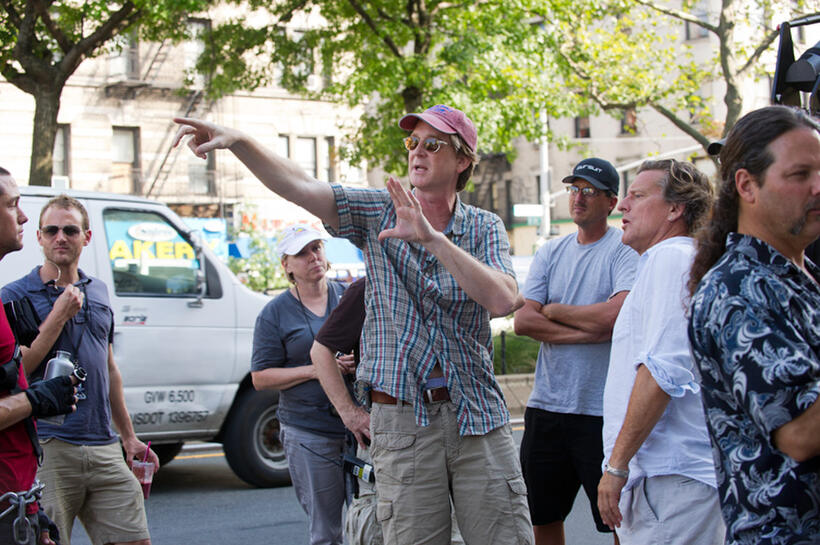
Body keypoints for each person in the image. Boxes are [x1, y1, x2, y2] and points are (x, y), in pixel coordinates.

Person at [174, 103, 532, 545]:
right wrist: (240, 142)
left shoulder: (484, 227)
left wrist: (432, 239)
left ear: (462, 161)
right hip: (402, 420)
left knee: (506, 538)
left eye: (433, 144)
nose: (417, 151)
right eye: (413, 142)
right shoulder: (378, 209)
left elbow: (503, 299)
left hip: (476, 413)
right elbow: (302, 186)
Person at [688, 105, 820, 545]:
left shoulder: (797, 276)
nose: (818, 186)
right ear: (747, 185)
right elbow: (800, 433)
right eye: (800, 174)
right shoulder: (735, 291)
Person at [2, 194, 158, 545]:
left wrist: (128, 437)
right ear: (39, 237)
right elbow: (16, 371)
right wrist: (57, 316)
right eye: (51, 230)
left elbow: (109, 368)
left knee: (135, 539)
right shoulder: (13, 296)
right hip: (49, 446)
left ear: (86, 237)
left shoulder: (98, 291)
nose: (60, 237)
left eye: (70, 230)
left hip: (104, 444)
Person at [598, 159, 723, 544]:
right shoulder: (670, 261)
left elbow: (661, 372)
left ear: (675, 209)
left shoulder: (671, 258)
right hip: (668, 481)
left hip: (673, 482)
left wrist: (616, 467)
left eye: (637, 196)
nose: (623, 205)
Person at [513, 158, 637, 545]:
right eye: (574, 189)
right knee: (543, 515)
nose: (578, 198)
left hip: (601, 411)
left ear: (611, 202)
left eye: (589, 191)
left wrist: (555, 311)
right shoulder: (551, 251)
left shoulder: (624, 250)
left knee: (618, 522)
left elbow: (614, 317)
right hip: (546, 407)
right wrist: (589, 332)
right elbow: (523, 321)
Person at [310, 277, 465, 545]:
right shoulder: (367, 287)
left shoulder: (450, 281)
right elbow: (321, 351)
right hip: (392, 426)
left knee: (455, 528)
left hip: (455, 422)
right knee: (386, 528)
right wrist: (350, 413)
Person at [250, 224, 348, 545]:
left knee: (372, 521)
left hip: (359, 427)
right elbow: (260, 377)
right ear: (287, 265)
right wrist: (316, 370)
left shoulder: (348, 296)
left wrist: (357, 361)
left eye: (316, 248)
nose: (313, 257)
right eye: (302, 253)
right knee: (327, 532)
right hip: (309, 430)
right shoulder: (274, 313)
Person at [0, 168, 77, 545]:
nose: (23, 216)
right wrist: (37, 399)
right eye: (12, 204)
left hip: (17, 503)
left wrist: (34, 511)